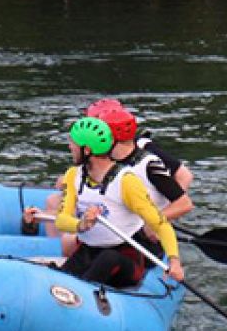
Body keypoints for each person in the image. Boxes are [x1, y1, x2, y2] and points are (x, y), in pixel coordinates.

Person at [24, 117, 184, 288]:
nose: (70, 147)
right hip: (88, 251)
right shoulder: (73, 175)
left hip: (125, 257)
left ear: (87, 150)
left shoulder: (126, 181)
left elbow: (159, 223)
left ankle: (84, 290)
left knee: (108, 258)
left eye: (73, 143)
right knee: (63, 275)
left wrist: (174, 261)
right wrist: (82, 224)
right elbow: (63, 220)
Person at [100, 106, 194, 234]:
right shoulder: (101, 161)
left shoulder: (149, 164)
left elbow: (184, 204)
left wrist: (155, 222)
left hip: (141, 231)